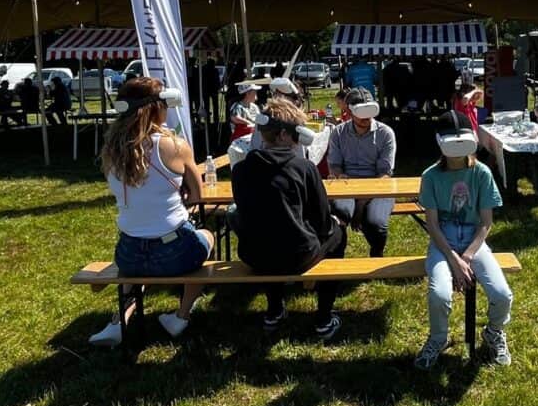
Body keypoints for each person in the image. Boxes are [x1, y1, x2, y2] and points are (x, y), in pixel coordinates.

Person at [88, 77, 215, 346]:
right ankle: (182, 315)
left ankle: (118, 321)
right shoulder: (174, 145)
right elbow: (199, 194)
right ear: (157, 108)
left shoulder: (111, 150)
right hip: (175, 251)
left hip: (129, 252)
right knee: (207, 236)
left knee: (137, 267)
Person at [231, 97, 346, 339]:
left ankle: (274, 310)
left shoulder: (241, 169)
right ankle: (324, 317)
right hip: (296, 256)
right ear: (284, 135)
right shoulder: (304, 168)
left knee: (267, 231)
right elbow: (323, 223)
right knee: (338, 234)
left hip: (254, 256)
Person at [415, 110, 513, 369]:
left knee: (502, 294)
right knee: (439, 294)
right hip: (443, 240)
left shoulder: (481, 173)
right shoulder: (431, 176)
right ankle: (438, 338)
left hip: (474, 240)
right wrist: (453, 258)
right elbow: (433, 225)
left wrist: (467, 256)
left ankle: (494, 331)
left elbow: (486, 223)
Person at [327, 87, 397, 257]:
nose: (366, 118)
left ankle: (376, 253)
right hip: (347, 186)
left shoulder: (385, 133)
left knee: (377, 223)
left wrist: (361, 202)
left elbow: (385, 173)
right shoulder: (338, 133)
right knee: (339, 215)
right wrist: (340, 176)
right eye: (361, 113)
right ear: (350, 112)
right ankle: (337, 258)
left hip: (378, 187)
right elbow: (335, 166)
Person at [201, 57, 221, 125]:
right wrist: (218, 87)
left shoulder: (204, 69)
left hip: (207, 90)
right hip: (212, 90)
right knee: (215, 106)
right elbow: (217, 80)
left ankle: (209, 119)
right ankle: (215, 119)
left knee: (208, 106)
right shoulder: (214, 70)